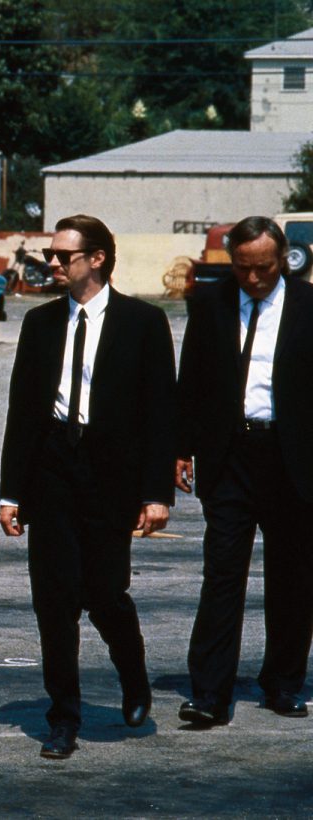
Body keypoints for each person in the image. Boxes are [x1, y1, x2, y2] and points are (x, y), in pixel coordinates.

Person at [0, 214, 176, 759]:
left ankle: (133, 675)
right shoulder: (40, 323)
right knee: (53, 601)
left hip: (110, 476)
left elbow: (160, 415)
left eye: (62, 256)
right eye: (49, 255)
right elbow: (22, 412)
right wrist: (11, 493)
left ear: (97, 259)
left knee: (104, 594)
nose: (52, 263)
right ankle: (63, 717)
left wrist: (156, 493)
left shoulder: (143, 322)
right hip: (53, 470)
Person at [176, 215, 313, 725]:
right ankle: (209, 694)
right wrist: (181, 448)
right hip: (229, 456)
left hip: (292, 459)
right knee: (222, 575)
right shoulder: (210, 304)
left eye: (264, 268)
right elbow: (191, 380)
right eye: (242, 268)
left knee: (293, 576)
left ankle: (283, 683)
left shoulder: (308, 307)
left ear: (284, 260)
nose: (253, 278)